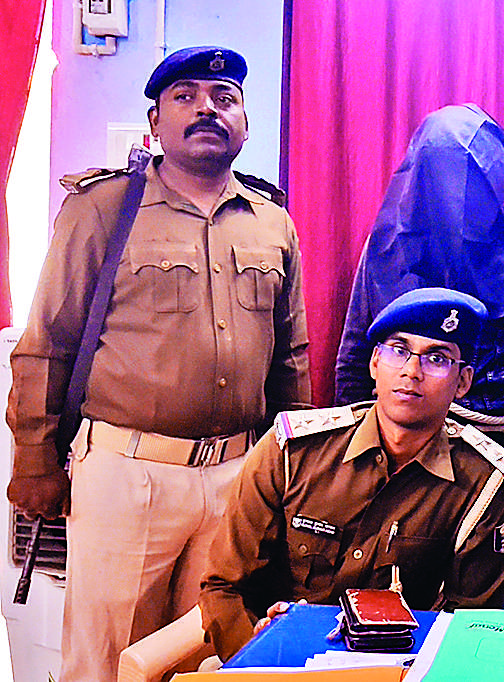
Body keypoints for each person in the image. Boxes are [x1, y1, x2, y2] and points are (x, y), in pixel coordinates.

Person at [4, 46, 309, 682]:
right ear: (155, 122)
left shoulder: (272, 223)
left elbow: (291, 359)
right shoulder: (104, 209)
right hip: (127, 472)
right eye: (185, 97)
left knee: (208, 653)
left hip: (236, 476)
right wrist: (33, 456)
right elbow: (48, 341)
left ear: (246, 122)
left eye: (224, 99)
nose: (206, 110)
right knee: (107, 658)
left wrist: (292, 469)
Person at [200, 288, 504, 660]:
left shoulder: (483, 485)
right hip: (280, 662)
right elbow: (225, 587)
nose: (411, 372)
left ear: (462, 382)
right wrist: (257, 656)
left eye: (437, 358)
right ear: (374, 364)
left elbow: (469, 626)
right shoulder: (292, 452)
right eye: (398, 350)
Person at [336, 103, 504, 506]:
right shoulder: (386, 249)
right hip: (397, 442)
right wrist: (354, 449)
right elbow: (355, 356)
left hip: (495, 446)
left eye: (474, 180)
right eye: (446, 177)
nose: (459, 194)